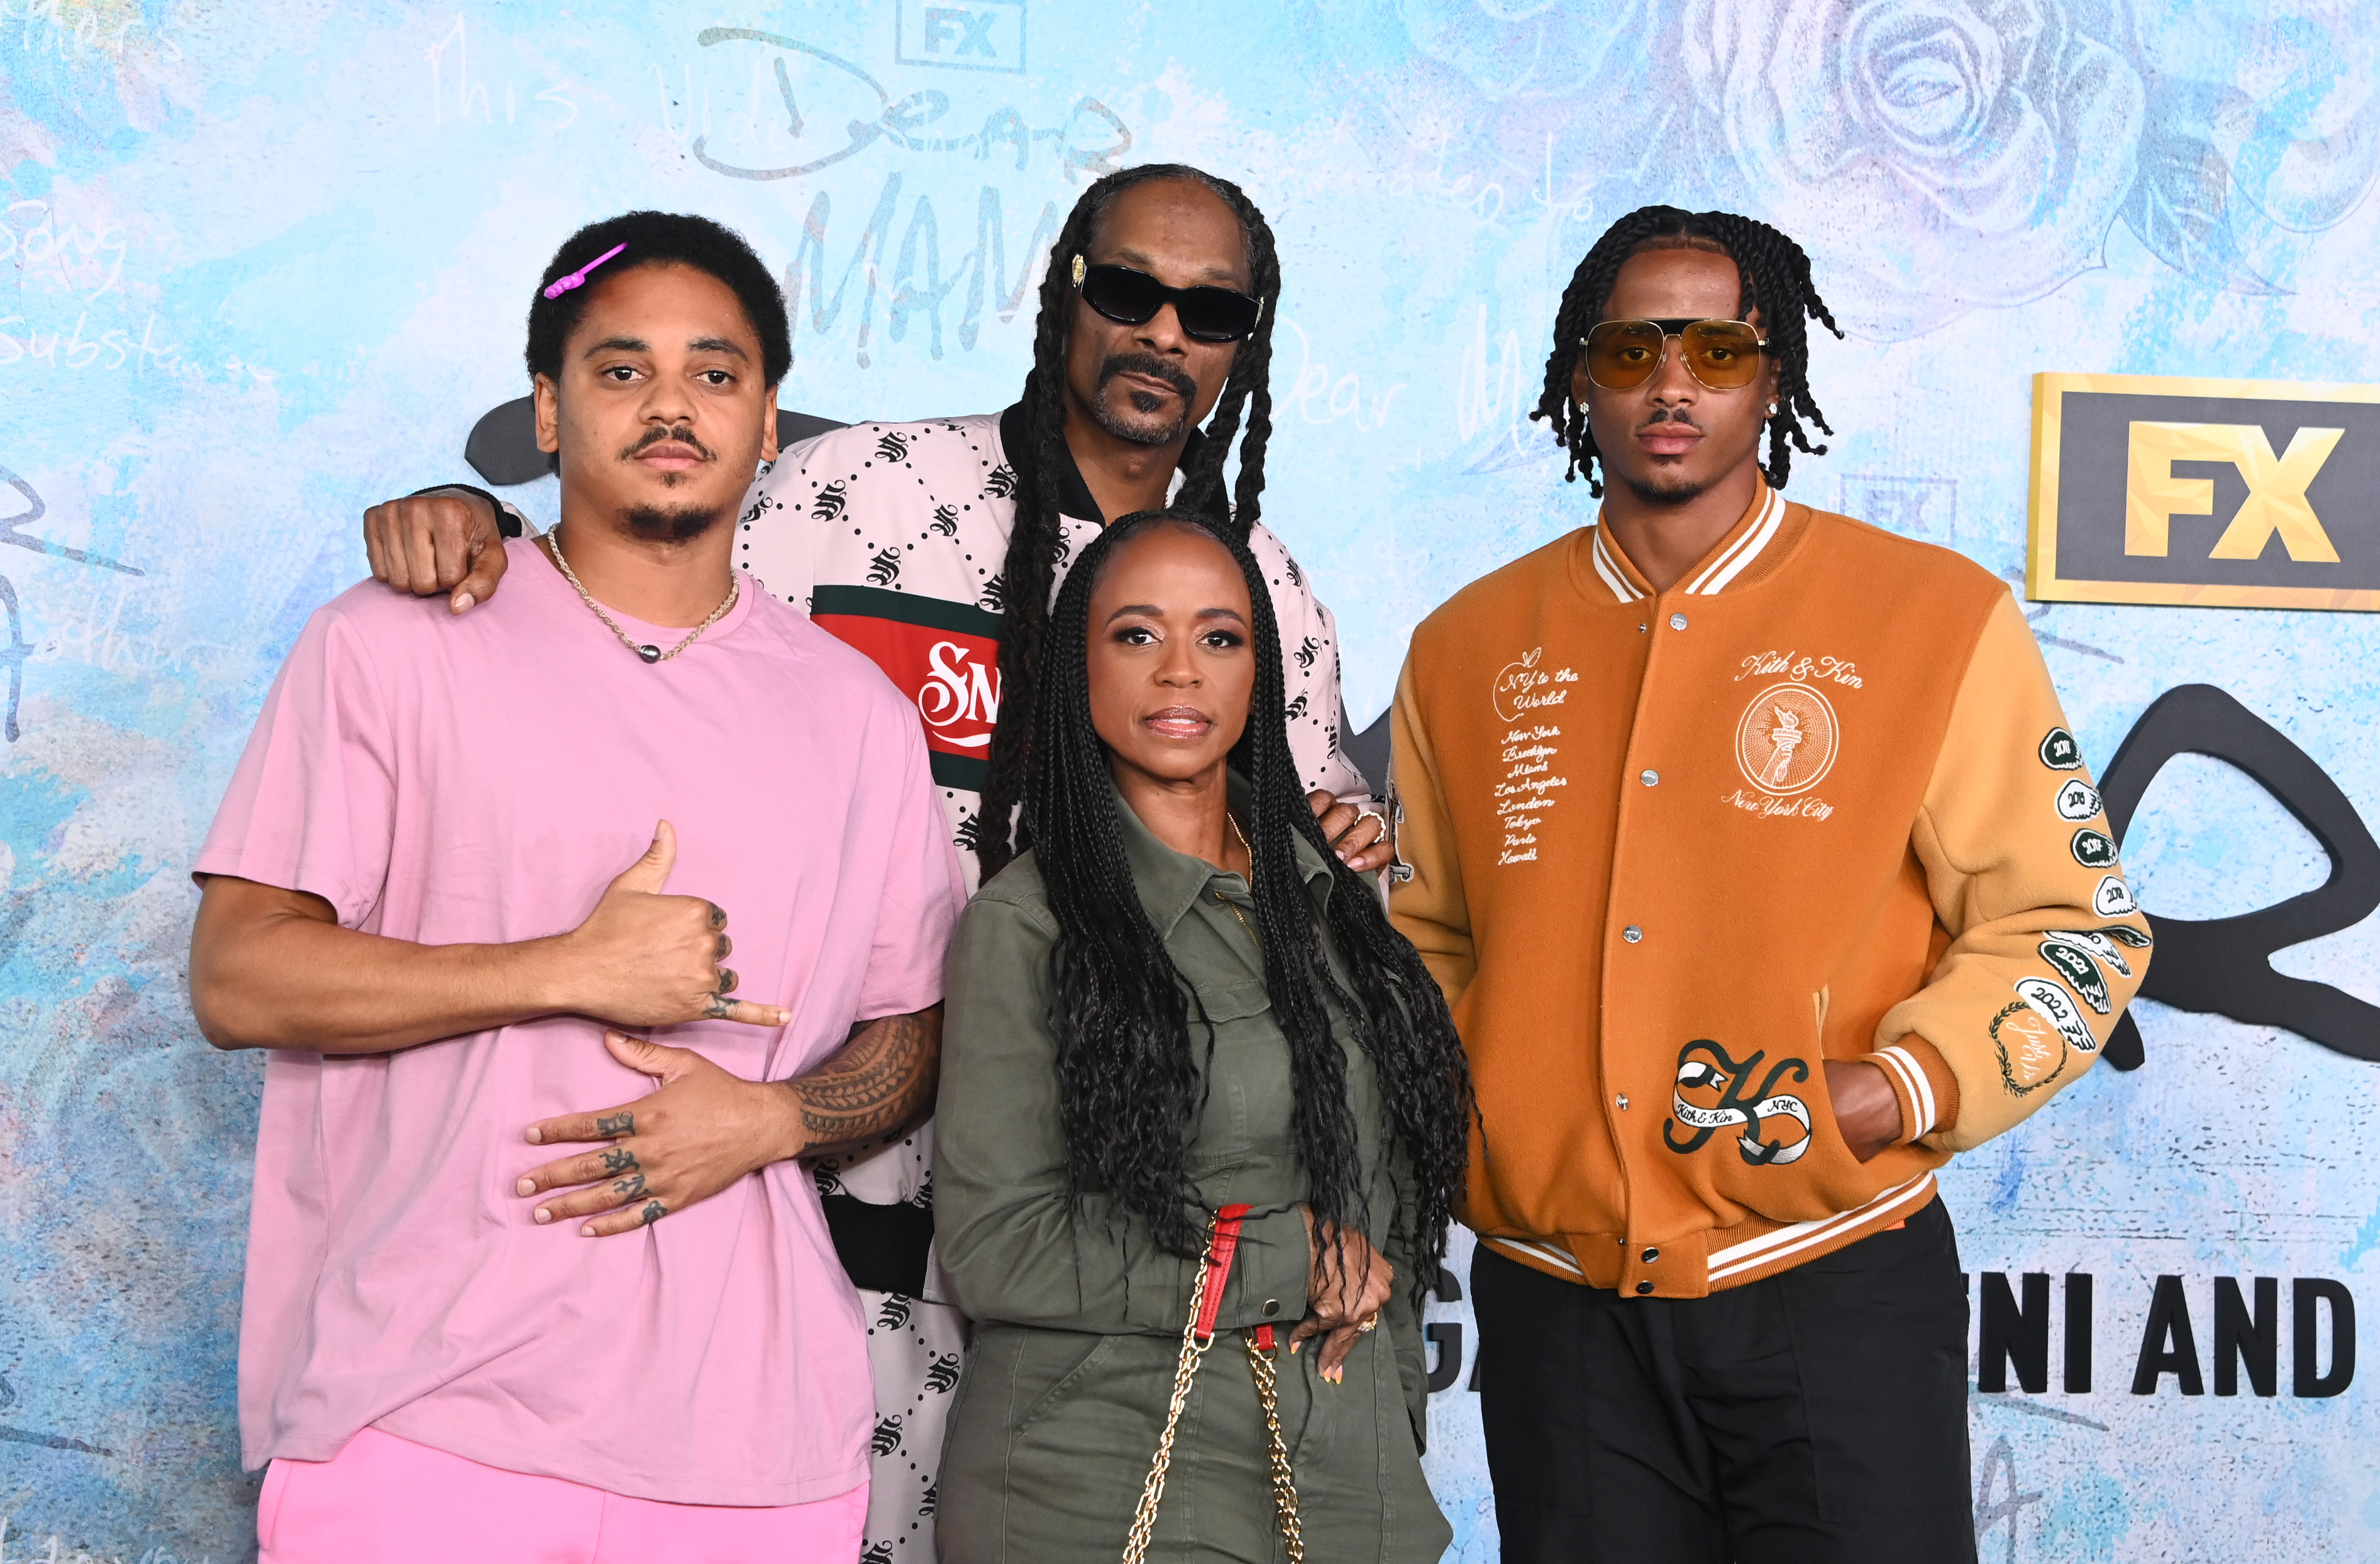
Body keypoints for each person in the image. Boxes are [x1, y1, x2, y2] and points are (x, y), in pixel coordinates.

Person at [356, 163, 1393, 1561]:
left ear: (1244, 344)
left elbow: (1310, 880)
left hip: (1106, 1254)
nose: (1164, 331)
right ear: (1063, 290)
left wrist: (1341, 844)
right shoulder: (858, 493)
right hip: (805, 1194)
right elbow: (640, 588)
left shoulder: (1261, 594)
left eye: (1209, 311)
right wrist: (470, 523)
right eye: (1130, 287)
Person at [189, 211, 964, 1562]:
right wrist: (566, 965)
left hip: (757, 1449)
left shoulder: (855, 715)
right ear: (547, 411)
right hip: (422, 1416)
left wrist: (777, 1115)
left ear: (768, 421)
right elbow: (238, 971)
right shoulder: (389, 642)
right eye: (622, 369)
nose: (672, 402)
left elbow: (913, 1030)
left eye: (716, 373)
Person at [1386, 205, 2152, 1561]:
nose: (1670, 384)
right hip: (1556, 1305)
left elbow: (2072, 922)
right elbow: (1428, 941)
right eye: (1629, 350)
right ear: (1580, 377)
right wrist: (1483, 1125)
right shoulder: (1466, 645)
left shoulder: (1930, 616)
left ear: (1773, 377)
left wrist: (1897, 1085)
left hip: (1827, 1280)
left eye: (1716, 350)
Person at [934, 511, 1471, 1563]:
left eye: (1219, 638)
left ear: (1260, 673)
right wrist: (1285, 1256)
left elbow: (1391, 1205)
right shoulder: (1028, 922)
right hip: (1107, 1473)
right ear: (1074, 670)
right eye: (1136, 635)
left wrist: (1396, 1416)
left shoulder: (1337, 908)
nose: (1180, 671)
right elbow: (995, 1248)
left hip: (1348, 1478)